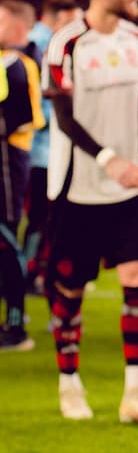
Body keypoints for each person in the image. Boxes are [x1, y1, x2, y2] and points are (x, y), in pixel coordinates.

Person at [42, 0, 138, 425]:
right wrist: (109, 159)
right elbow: (65, 118)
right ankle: (68, 382)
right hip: (77, 189)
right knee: (69, 289)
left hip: (129, 188)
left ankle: (134, 393)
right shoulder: (66, 43)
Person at [23, 0, 81, 295]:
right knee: (39, 219)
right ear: (58, 19)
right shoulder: (39, 46)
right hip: (38, 152)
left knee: (40, 219)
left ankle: (31, 271)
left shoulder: (39, 42)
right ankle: (28, 273)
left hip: (39, 151)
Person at [0, 43, 45, 350]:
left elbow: (22, 117)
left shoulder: (14, 65)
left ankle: (15, 324)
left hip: (7, 163)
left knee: (6, 238)